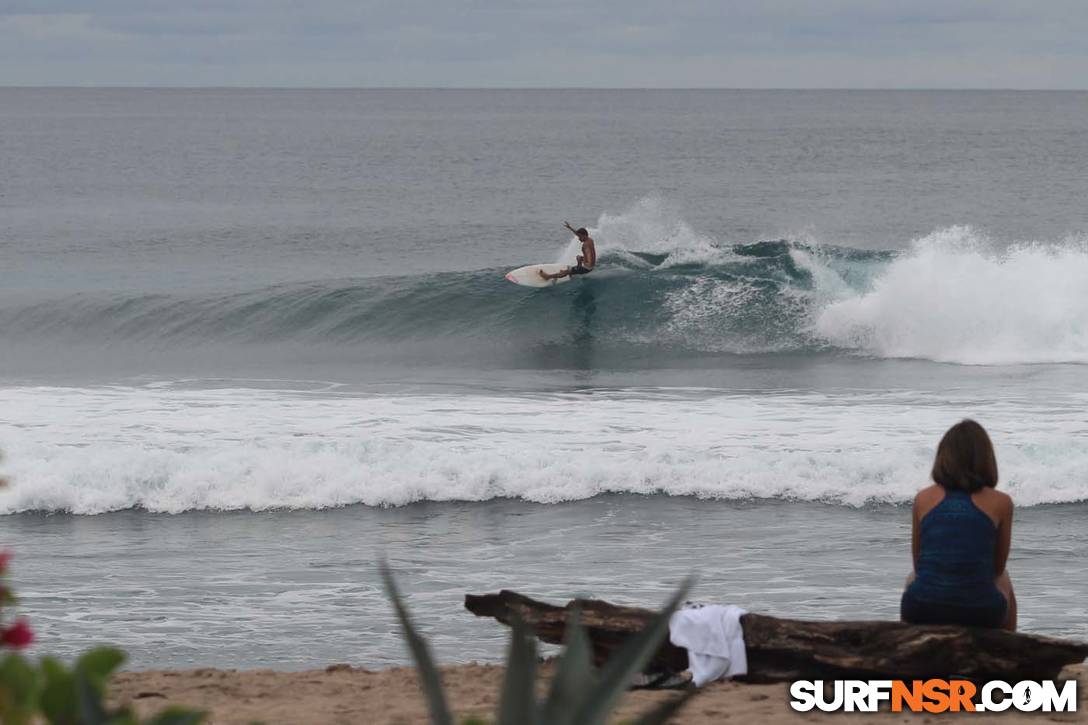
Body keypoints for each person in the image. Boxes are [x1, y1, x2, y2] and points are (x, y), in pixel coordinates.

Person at [901, 420, 1017, 630]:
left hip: (922, 608)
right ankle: (1011, 651)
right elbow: (997, 567)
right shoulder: (1001, 502)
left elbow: (919, 564)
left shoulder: (923, 498)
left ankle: (912, 644)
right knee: (1005, 579)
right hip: (980, 611)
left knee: (912, 578)